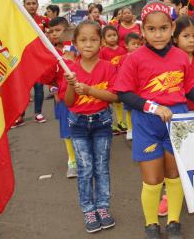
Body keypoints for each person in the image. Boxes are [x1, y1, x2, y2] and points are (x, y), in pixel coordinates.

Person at [114, 1, 194, 239]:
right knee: (153, 180)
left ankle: (174, 222)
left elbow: (188, 90)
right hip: (147, 125)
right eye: (151, 29)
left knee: (174, 176)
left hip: (178, 124)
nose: (158, 34)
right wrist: (153, 107)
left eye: (163, 28)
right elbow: (123, 93)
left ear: (172, 27)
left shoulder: (181, 57)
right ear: (142, 30)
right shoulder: (134, 59)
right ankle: (151, 225)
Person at [62, 21, 118, 233]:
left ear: (101, 43)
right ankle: (88, 209)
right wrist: (70, 85)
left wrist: (88, 90)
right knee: (85, 170)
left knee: (102, 168)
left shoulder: (108, 67)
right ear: (75, 43)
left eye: (94, 40)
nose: (88, 44)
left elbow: (114, 96)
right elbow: (68, 103)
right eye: (83, 40)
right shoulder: (70, 70)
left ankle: (102, 208)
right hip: (78, 124)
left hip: (102, 122)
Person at [42, 17, 78, 178]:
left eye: (58, 30)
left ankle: (86, 154)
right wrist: (54, 90)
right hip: (63, 98)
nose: (54, 34)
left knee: (84, 126)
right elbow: (50, 77)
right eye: (51, 32)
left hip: (83, 96)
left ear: (68, 30)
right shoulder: (50, 52)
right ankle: (72, 160)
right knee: (67, 128)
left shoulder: (78, 48)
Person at [11, 0, 49, 128]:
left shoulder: (44, 21)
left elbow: (54, 34)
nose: (31, 6)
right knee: (23, 88)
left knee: (39, 88)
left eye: (34, 3)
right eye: (28, 3)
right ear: (24, 5)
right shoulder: (18, 20)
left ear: (38, 5)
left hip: (38, 60)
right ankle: (20, 115)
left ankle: (38, 113)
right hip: (23, 60)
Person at [100, 26, 127, 133]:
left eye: (114, 35)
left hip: (120, 79)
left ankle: (120, 121)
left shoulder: (122, 49)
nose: (112, 38)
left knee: (119, 101)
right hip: (108, 80)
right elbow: (101, 66)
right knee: (108, 102)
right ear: (104, 39)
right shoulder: (103, 51)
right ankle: (110, 123)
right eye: (109, 36)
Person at [120, 31, 143, 141]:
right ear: (127, 46)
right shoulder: (124, 58)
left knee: (140, 110)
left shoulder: (143, 57)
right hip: (130, 90)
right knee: (129, 111)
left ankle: (139, 129)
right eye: (134, 44)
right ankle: (130, 129)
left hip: (140, 89)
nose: (137, 46)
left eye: (139, 44)